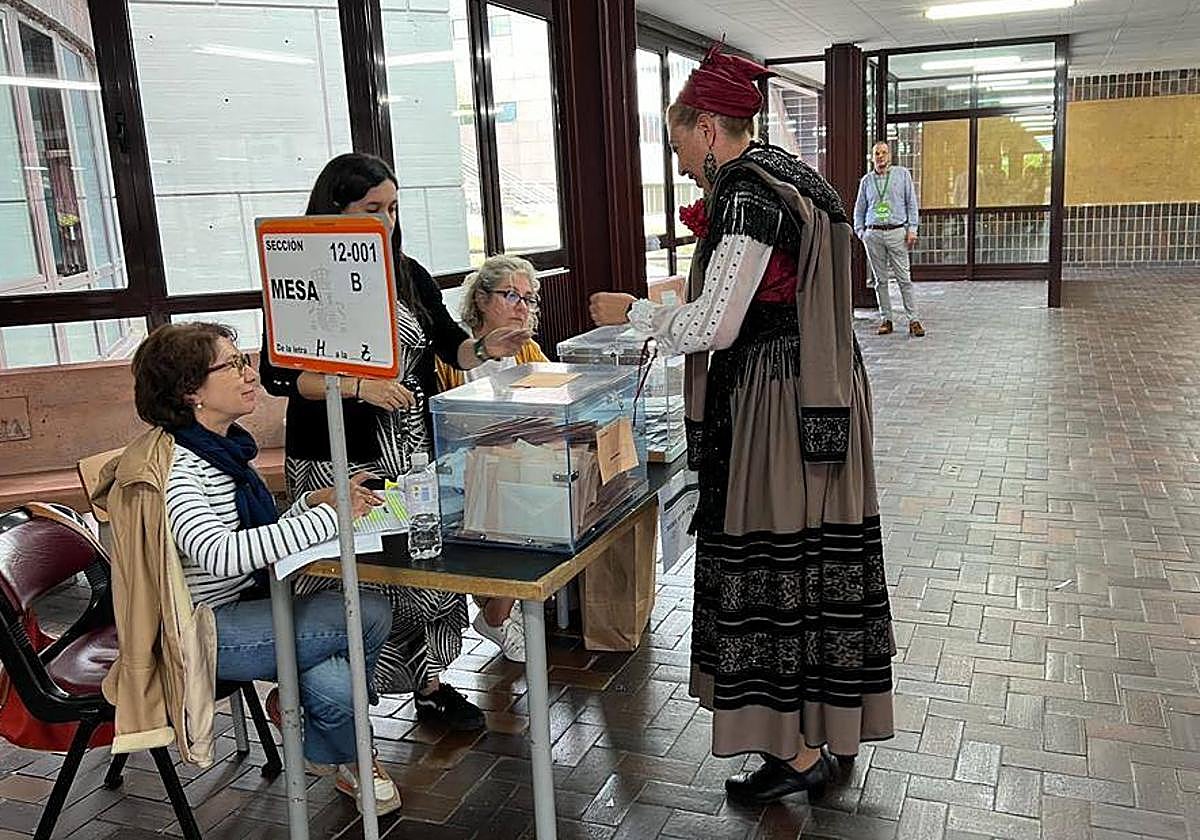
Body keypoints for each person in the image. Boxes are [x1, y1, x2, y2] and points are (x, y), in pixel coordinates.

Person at [589, 45, 895, 804]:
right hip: (823, 386)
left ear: (707, 130)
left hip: (773, 402)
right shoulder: (798, 177)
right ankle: (830, 726)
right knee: (820, 562)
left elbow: (717, 326)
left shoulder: (746, 191)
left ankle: (794, 757)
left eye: (680, 144)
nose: (684, 163)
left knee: (774, 564)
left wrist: (632, 311)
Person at [260, 153, 530, 730]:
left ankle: (431, 682)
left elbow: (449, 343)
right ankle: (326, 692)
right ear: (335, 211)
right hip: (337, 454)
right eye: (372, 208)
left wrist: (487, 349)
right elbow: (279, 376)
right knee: (347, 578)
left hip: (408, 449)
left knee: (426, 566)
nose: (386, 220)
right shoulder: (304, 276)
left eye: (393, 208)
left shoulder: (407, 270)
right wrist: (360, 386)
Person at [129, 321, 402, 814]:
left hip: (247, 606)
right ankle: (342, 745)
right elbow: (219, 553)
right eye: (231, 365)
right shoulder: (180, 467)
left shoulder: (220, 445)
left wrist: (309, 505)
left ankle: (319, 728)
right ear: (190, 391)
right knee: (366, 612)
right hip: (205, 631)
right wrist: (328, 517)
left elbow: (255, 536)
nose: (248, 373)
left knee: (337, 678)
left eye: (244, 360)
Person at [435, 254, 549, 663]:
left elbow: (554, 403)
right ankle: (500, 612)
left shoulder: (529, 349)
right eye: (512, 295)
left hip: (515, 461)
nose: (523, 307)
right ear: (482, 300)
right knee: (518, 500)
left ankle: (498, 611)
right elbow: (440, 424)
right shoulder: (451, 353)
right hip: (461, 466)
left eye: (530, 299)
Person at [853, 141, 925, 337]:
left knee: (904, 278)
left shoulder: (902, 175)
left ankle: (914, 319)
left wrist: (912, 229)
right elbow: (859, 210)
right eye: (877, 153)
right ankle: (886, 319)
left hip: (896, 232)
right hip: (873, 234)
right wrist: (862, 233)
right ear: (872, 156)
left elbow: (911, 204)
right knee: (880, 280)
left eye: (884, 152)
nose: (881, 156)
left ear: (890, 156)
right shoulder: (866, 181)